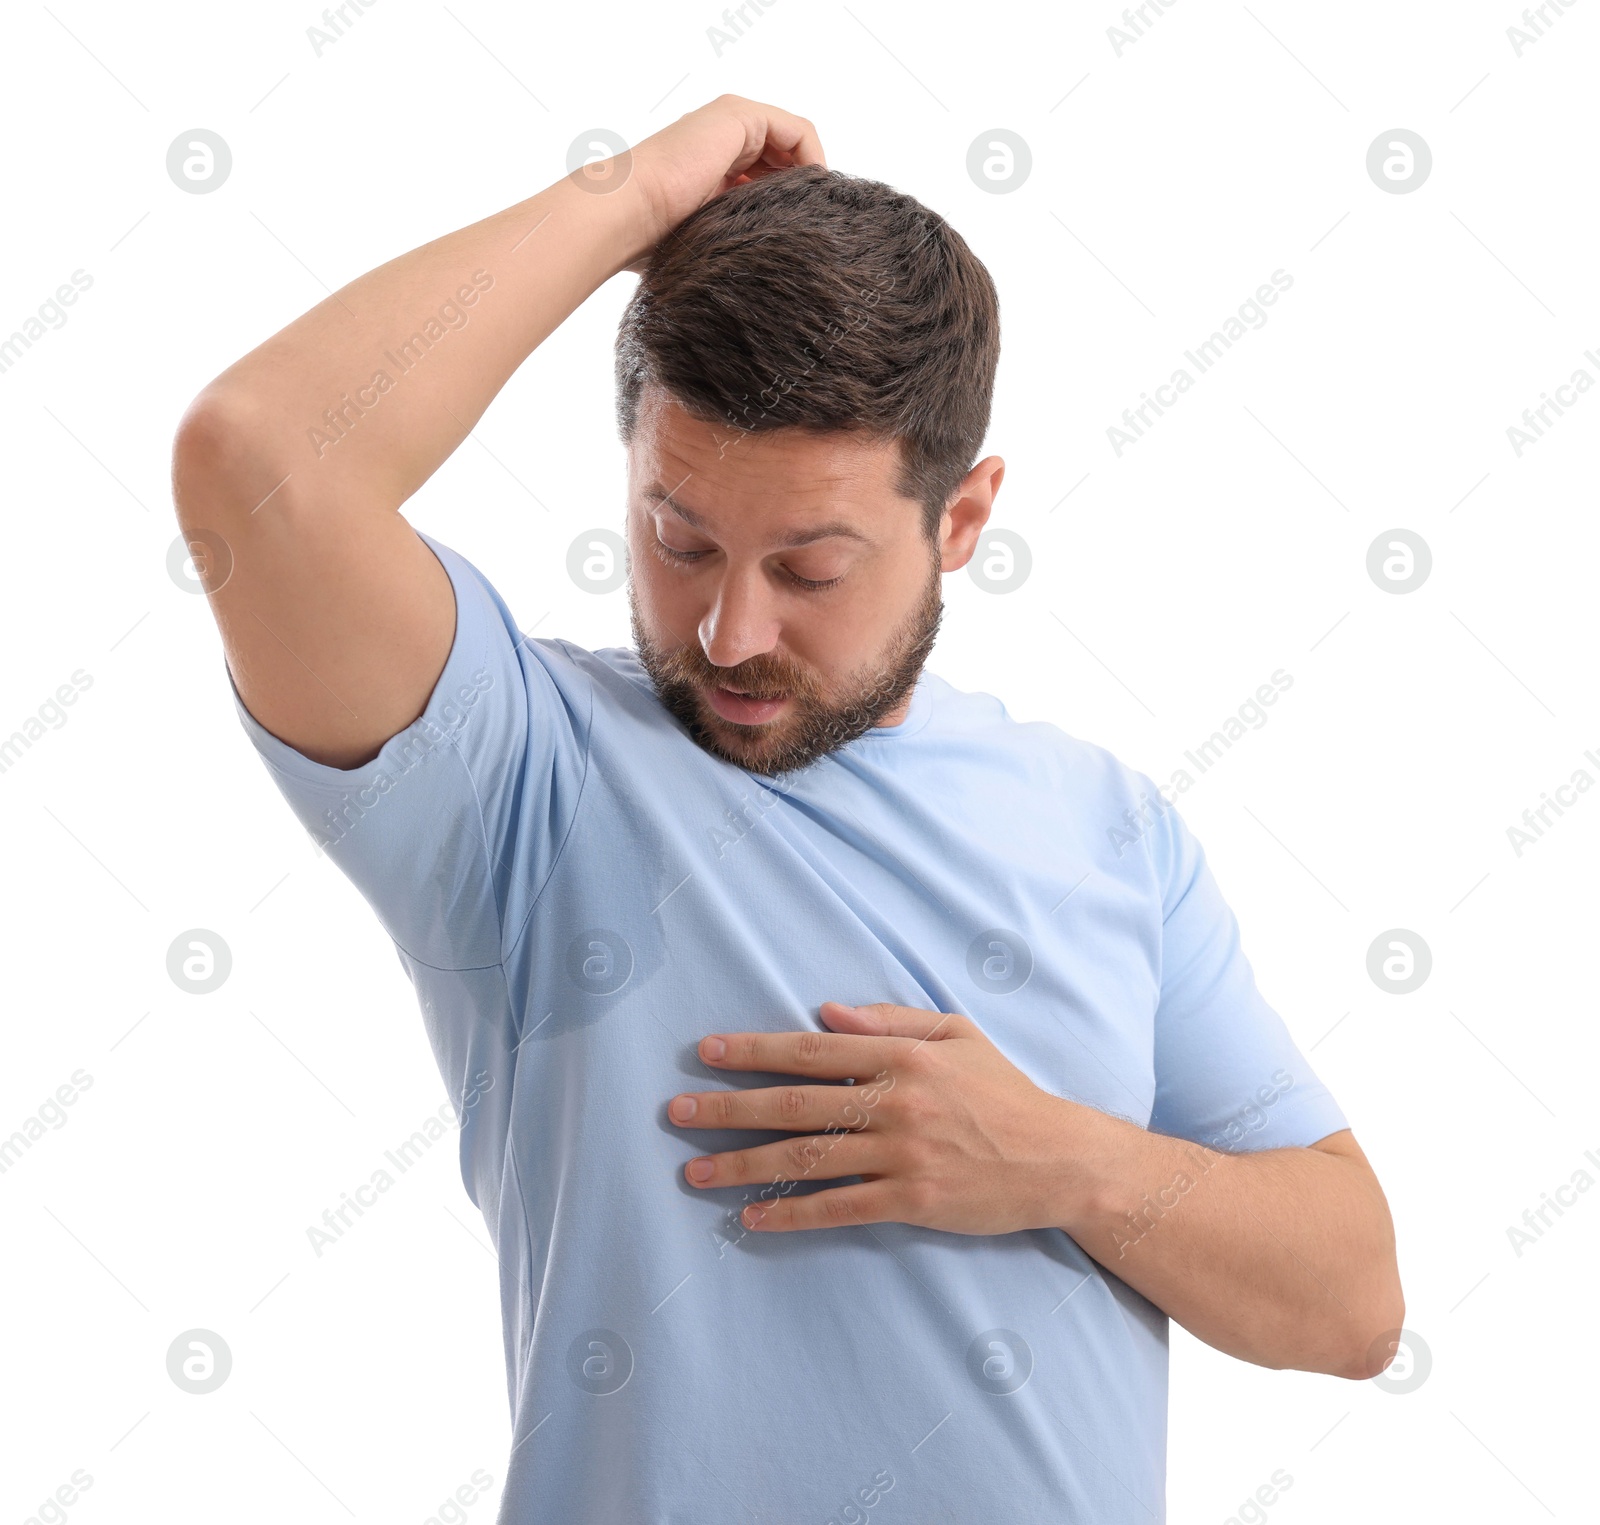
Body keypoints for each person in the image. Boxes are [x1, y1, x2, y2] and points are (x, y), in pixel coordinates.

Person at [171, 94, 1402, 1523]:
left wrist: (1059, 1158)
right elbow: (258, 461)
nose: (731, 631)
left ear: (963, 518)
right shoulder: (522, 775)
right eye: (678, 540)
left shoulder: (1106, 825)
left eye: (810, 567)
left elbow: (1355, 1298)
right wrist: (632, 201)